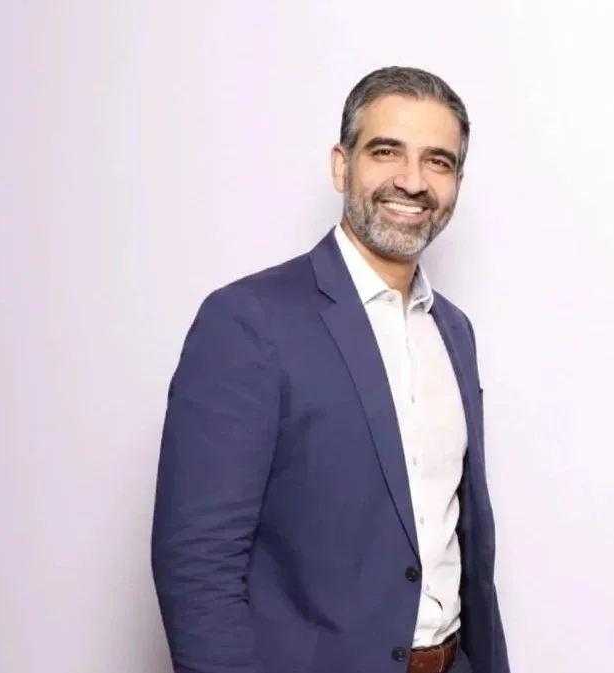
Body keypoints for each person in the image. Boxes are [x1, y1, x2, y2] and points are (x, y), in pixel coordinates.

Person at [151, 65, 510, 673]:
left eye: (438, 161)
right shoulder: (249, 321)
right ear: (342, 166)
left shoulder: (453, 331)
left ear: (457, 182)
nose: (412, 181)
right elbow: (198, 562)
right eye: (386, 151)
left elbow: (459, 544)